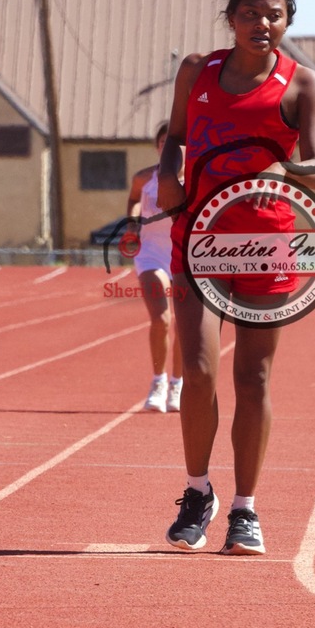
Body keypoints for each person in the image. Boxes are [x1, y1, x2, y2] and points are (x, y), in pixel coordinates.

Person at [157, 0, 315, 554]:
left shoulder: (302, 83)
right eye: (252, 13)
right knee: (198, 371)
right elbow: (175, 139)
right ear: (231, 18)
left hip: (265, 245)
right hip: (197, 238)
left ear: (287, 21)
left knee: (252, 378)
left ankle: (245, 511)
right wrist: (166, 177)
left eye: (275, 14)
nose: (264, 23)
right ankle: (198, 491)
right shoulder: (197, 72)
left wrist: (280, 173)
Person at [127, 122, 183, 413]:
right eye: (163, 142)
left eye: (173, 142)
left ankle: (178, 383)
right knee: (161, 319)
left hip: (185, 256)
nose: (168, 147)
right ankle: (158, 380)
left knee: (184, 326)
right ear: (158, 145)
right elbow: (134, 200)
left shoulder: (195, 179)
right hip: (151, 255)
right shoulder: (143, 178)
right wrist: (132, 223)